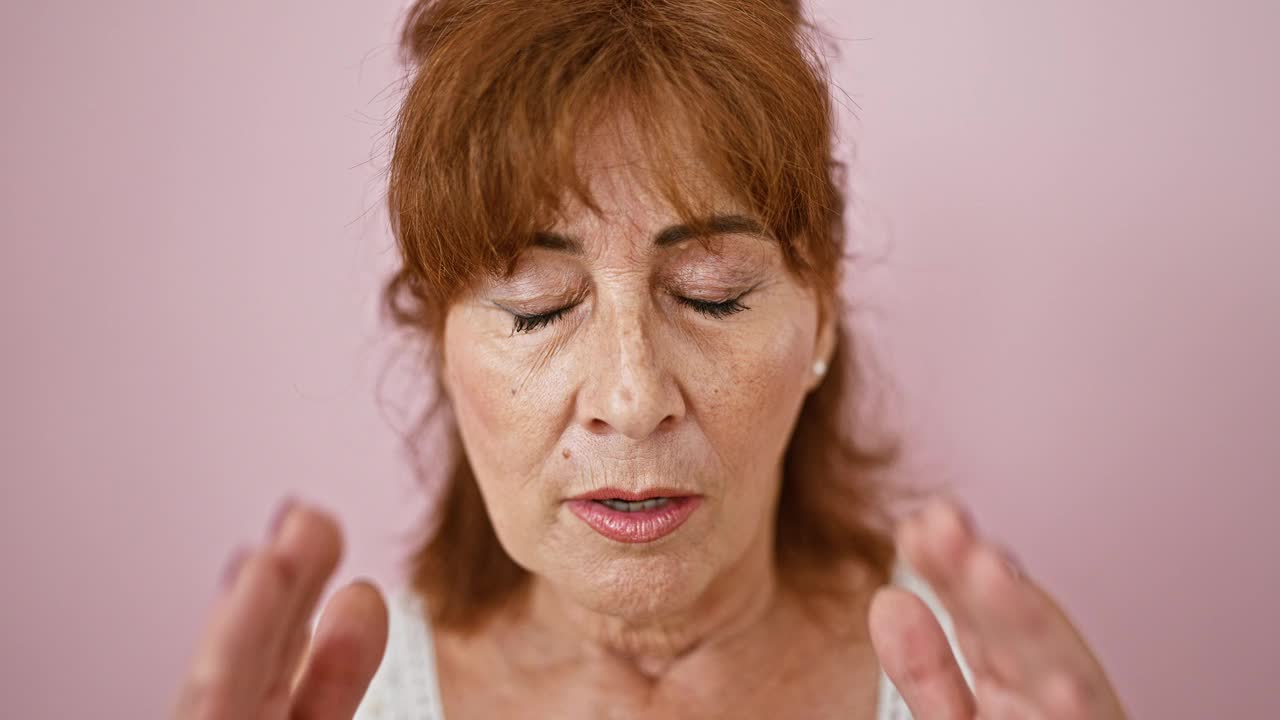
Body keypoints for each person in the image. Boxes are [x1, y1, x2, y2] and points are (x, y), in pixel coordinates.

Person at [172, 0, 1128, 717]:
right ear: (439, 341)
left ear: (823, 316)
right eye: (536, 307)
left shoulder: (985, 686)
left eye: (713, 293)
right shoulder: (348, 702)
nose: (632, 399)